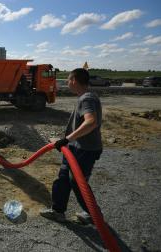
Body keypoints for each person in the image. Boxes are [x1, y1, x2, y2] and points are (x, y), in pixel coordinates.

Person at [40, 68, 103, 224]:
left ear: (74, 80)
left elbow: (91, 122)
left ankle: (93, 214)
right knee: (63, 179)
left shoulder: (86, 98)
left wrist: (67, 139)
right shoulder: (85, 96)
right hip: (75, 148)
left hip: (85, 149)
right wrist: (69, 142)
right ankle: (58, 211)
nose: (67, 83)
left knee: (77, 181)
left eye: (68, 80)